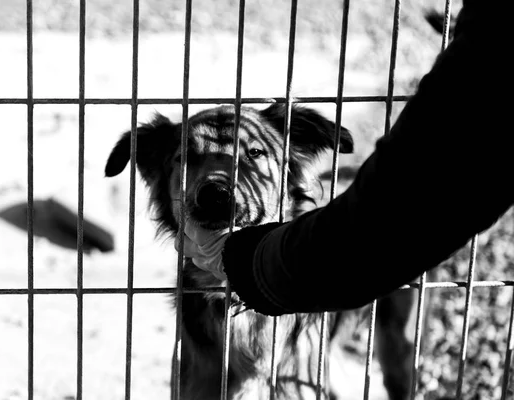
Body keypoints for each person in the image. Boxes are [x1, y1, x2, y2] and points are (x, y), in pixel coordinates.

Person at [178, 0, 514, 316]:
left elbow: (403, 210)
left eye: (253, 153)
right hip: (295, 261)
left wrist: (242, 261)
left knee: (392, 363)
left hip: (303, 268)